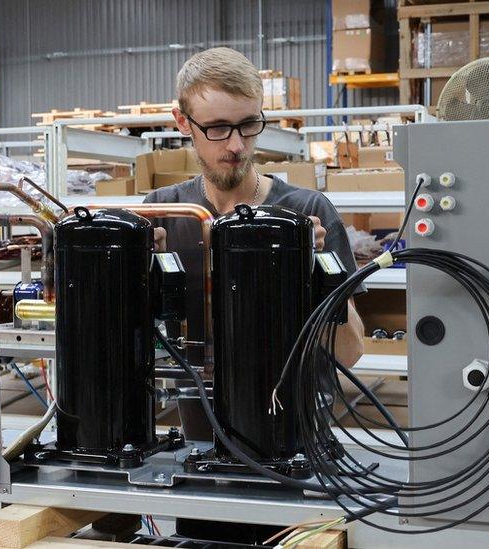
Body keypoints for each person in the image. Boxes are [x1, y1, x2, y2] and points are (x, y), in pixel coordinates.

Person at [143, 46, 367, 546]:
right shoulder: (163, 214)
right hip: (198, 449)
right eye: (217, 128)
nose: (237, 146)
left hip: (294, 447)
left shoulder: (306, 210)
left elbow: (351, 351)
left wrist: (311, 274)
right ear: (183, 122)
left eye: (249, 126)